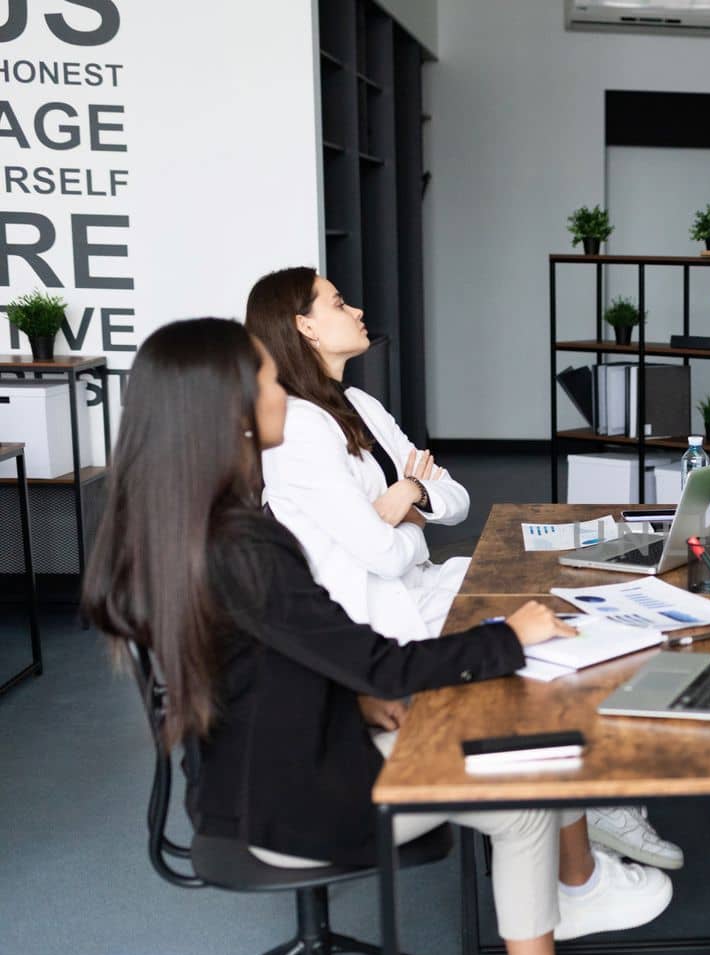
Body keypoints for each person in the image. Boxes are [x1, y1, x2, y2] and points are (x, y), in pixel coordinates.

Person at [82, 319, 655, 955]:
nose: (278, 388)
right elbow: (378, 661)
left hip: (243, 779)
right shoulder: (243, 544)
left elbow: (268, 661)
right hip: (285, 803)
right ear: (226, 408)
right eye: (263, 380)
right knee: (525, 792)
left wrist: (354, 699)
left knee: (487, 746)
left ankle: (563, 933)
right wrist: (510, 636)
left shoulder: (183, 527)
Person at [245, 267, 684, 884]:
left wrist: (408, 497)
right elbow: (382, 556)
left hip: (419, 582)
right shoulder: (298, 430)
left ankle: (587, 799)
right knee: (540, 646)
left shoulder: (360, 406)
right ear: (305, 327)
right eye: (339, 303)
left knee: (560, 602)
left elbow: (456, 498)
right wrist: (408, 502)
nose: (358, 311)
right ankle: (588, 809)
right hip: (377, 612)